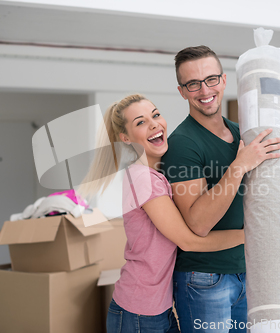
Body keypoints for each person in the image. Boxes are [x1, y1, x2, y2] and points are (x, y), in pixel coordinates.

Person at [78, 94, 246, 333]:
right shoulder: (143, 179)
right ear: (125, 138)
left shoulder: (161, 174)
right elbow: (188, 241)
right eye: (141, 122)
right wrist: (249, 236)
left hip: (156, 307)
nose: (154, 123)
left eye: (155, 115)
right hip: (139, 312)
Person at [160, 46, 280, 332]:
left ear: (224, 80)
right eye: (193, 83)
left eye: (211, 79)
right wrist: (238, 166)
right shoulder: (183, 143)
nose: (204, 90)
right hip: (204, 278)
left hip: (245, 269)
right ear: (182, 91)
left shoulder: (242, 133)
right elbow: (198, 223)